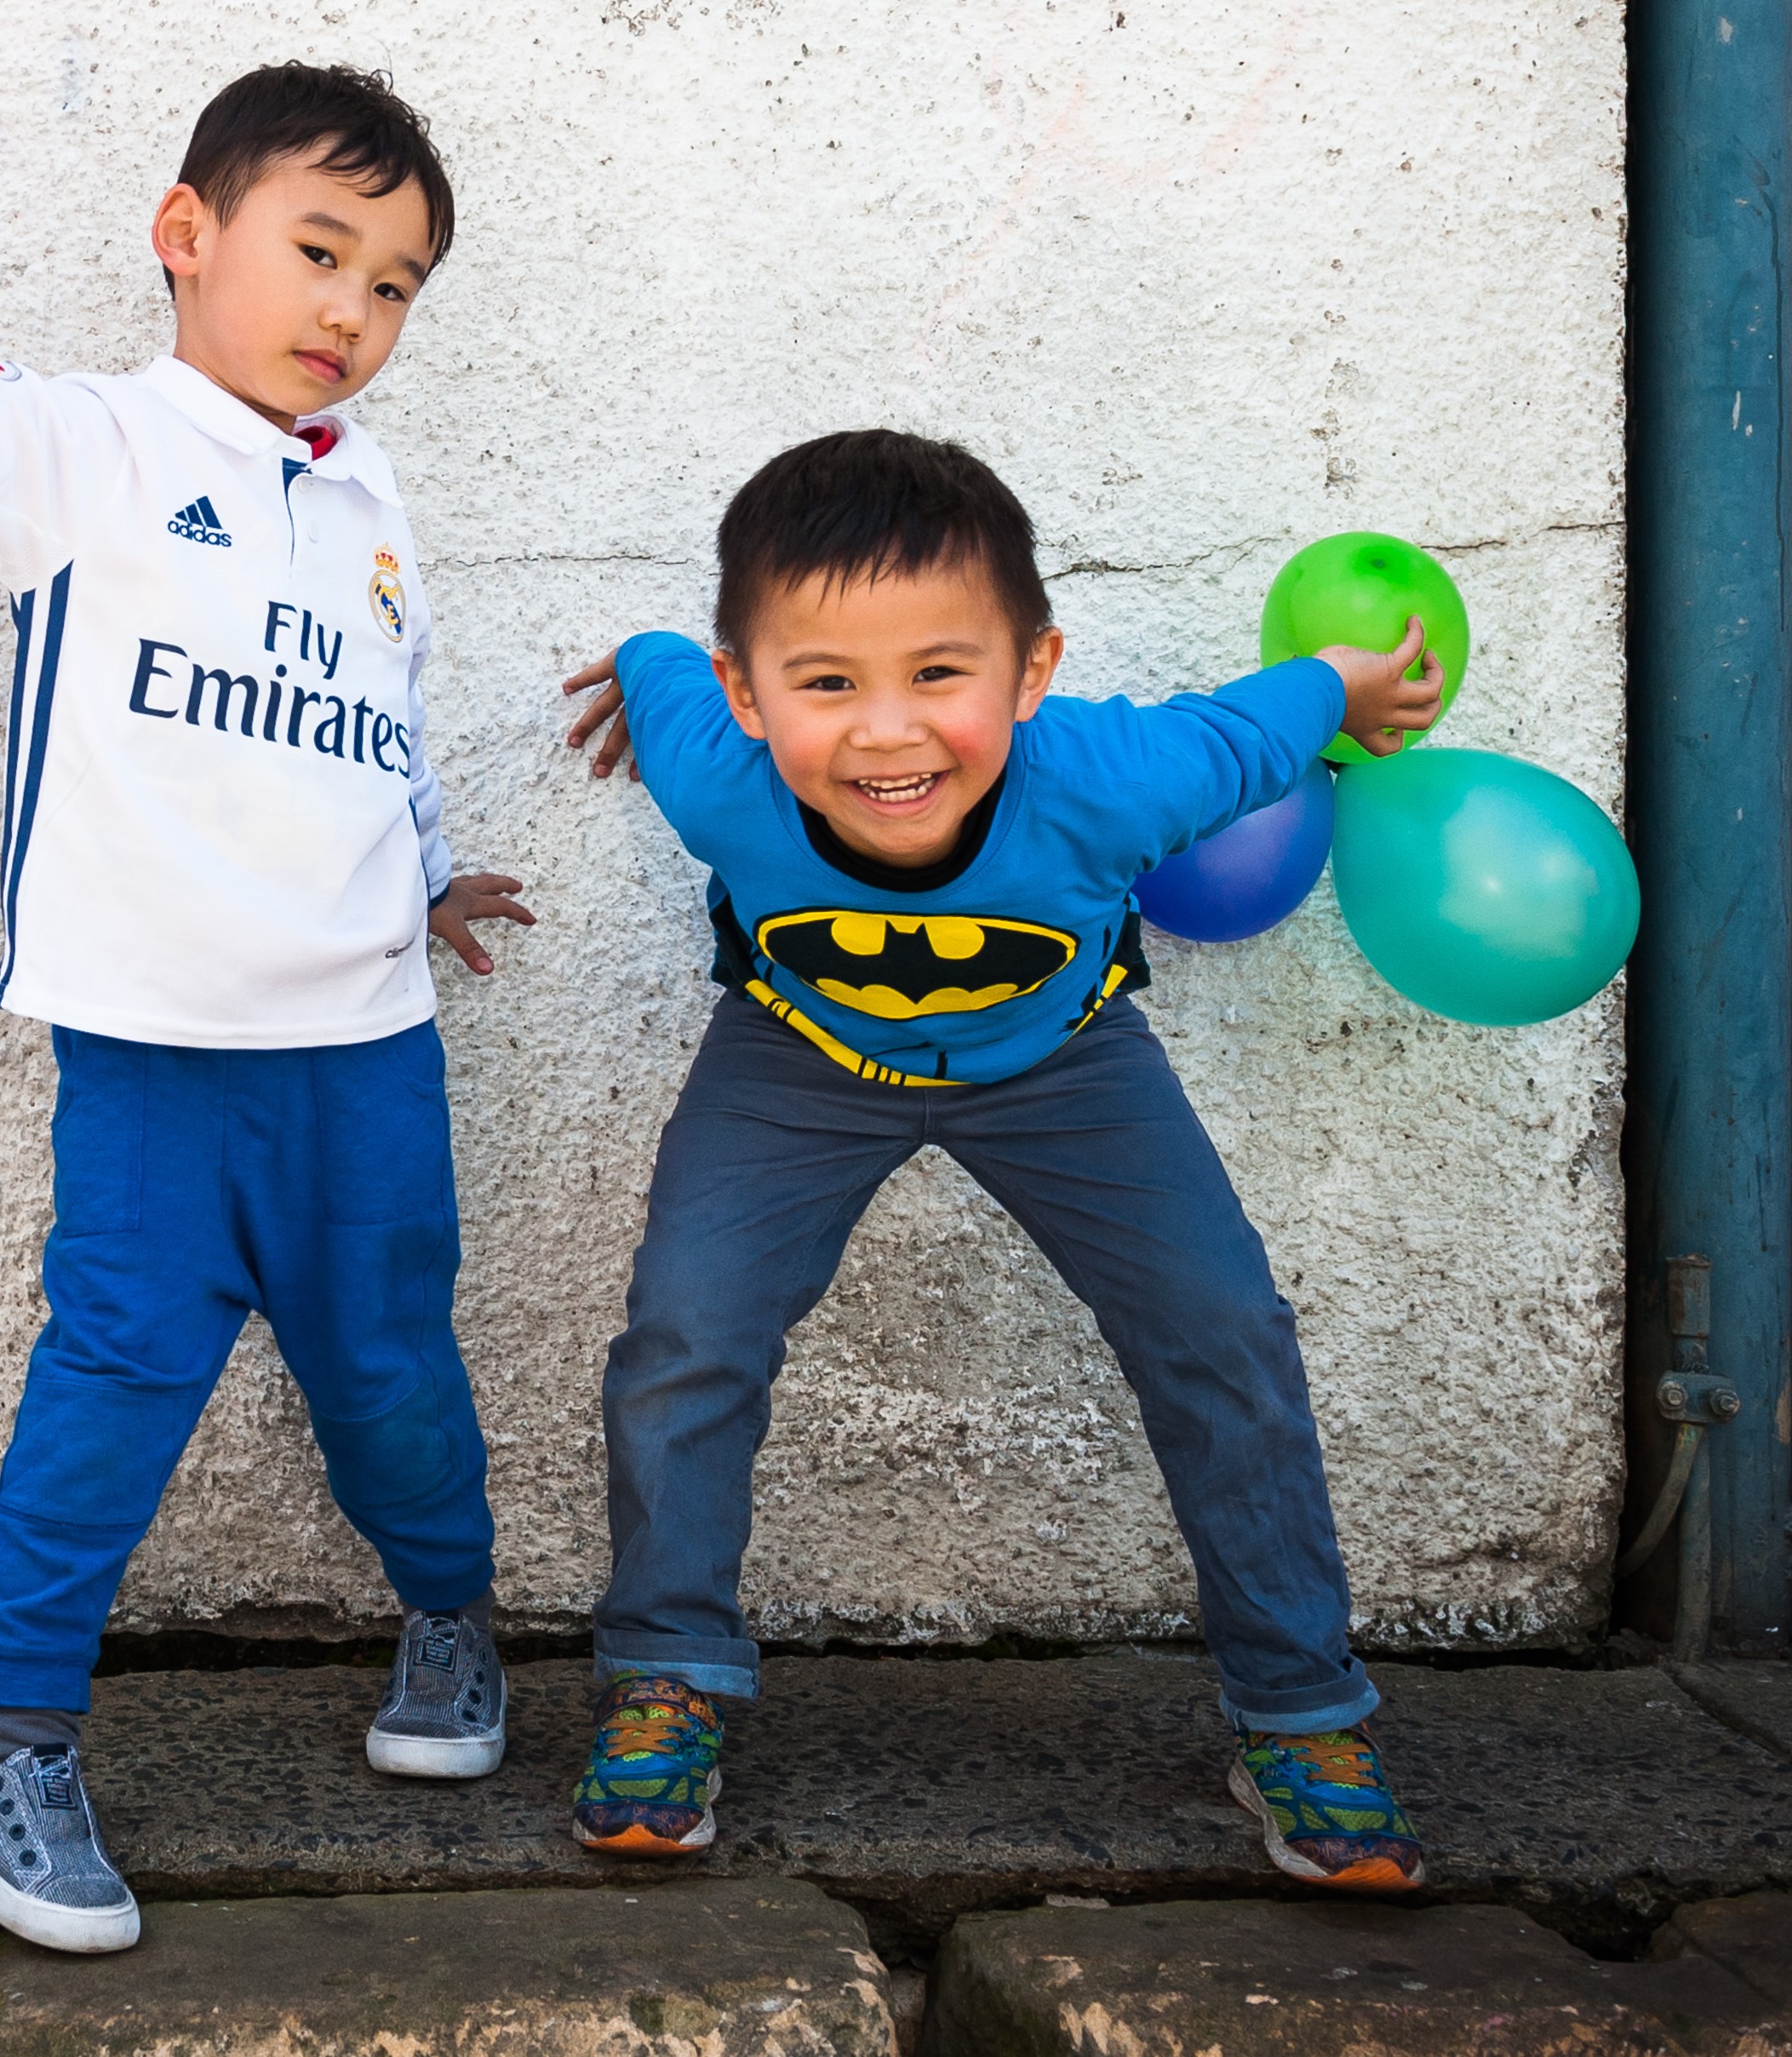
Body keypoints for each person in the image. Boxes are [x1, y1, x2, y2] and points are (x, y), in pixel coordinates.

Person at [0, 65, 532, 1952]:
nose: (348, 311)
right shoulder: (91, 450)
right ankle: (17, 1741)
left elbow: (386, 717)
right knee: (111, 1386)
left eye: (392, 284)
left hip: (363, 1050)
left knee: (387, 1372)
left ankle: (452, 1616)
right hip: (149, 1052)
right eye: (316, 250)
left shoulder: (368, 497)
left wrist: (427, 869)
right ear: (184, 234)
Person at [558, 428, 1443, 1892]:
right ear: (746, 694)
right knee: (686, 1334)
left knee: (1221, 1329)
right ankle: (666, 1670)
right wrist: (643, 656)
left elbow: (1256, 726)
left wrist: (1345, 684)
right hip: (801, 1060)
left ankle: (1301, 1710)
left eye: (939, 675)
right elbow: (662, 656)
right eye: (824, 682)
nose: (886, 734)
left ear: (1031, 674)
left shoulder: (1119, 774)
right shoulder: (711, 773)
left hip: (1068, 1067)